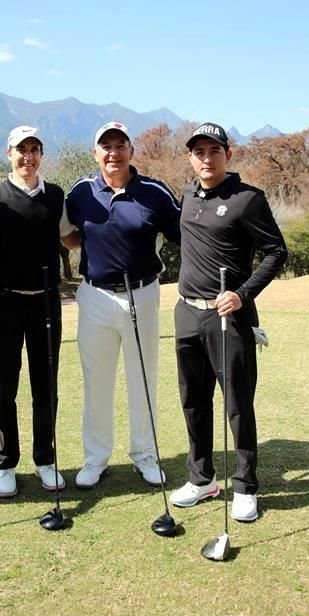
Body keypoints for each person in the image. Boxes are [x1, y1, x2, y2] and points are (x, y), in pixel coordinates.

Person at [170, 122, 288, 522]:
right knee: (193, 401)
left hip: (229, 315)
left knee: (237, 404)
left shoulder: (247, 199)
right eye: (199, 152)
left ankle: (245, 486)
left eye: (214, 151)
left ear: (228, 155)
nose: (206, 158)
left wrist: (243, 294)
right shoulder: (186, 195)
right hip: (186, 312)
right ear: (190, 157)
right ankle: (202, 478)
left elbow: (276, 252)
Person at [65, 121, 181, 489]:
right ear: (95, 153)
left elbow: (186, 233)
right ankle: (95, 459)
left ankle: (144, 455)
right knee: (96, 381)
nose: (113, 153)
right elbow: (65, 233)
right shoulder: (81, 192)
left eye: (120, 145)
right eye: (106, 146)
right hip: (95, 295)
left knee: (142, 378)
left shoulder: (155, 192)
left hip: (142, 294)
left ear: (131, 151)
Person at [0, 125, 78, 499]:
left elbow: (69, 237)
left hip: (47, 300)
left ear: (41, 154)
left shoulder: (55, 196)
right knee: (6, 384)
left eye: (34, 149)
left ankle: (46, 459)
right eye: (21, 150)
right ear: (9, 153)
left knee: (45, 383)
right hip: (5, 300)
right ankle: (5, 464)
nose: (27, 157)